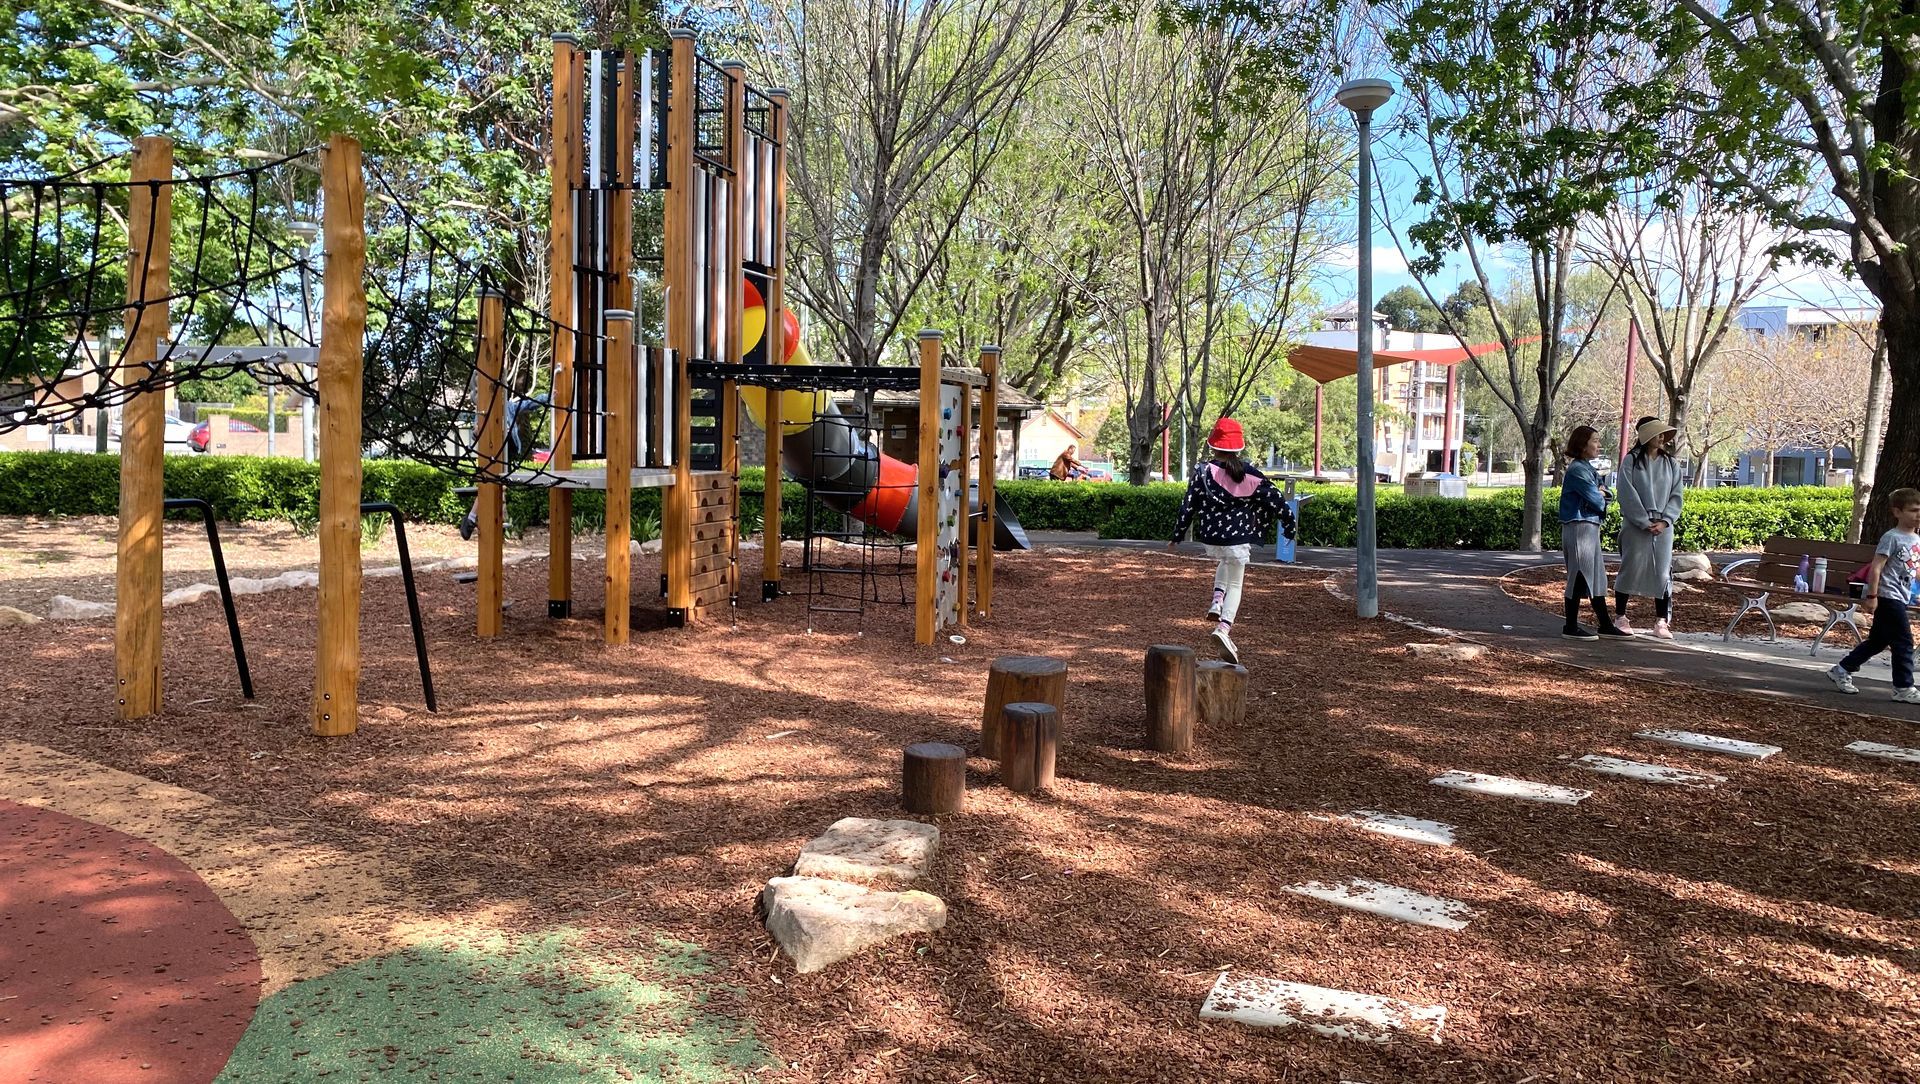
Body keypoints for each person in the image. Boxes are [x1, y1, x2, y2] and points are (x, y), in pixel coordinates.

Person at [1168, 417, 1295, 665]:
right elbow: (1278, 501)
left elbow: (1188, 506)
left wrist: (1177, 535)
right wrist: (1289, 526)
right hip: (1237, 538)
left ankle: (1216, 600)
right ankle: (1224, 628)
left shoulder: (1202, 472)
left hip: (1212, 539)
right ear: (1239, 448)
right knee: (1236, 583)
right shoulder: (1251, 476)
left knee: (1224, 562)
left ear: (1213, 447)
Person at [1827, 488, 1920, 703]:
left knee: (1878, 640)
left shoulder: (1915, 538)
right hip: (1888, 595)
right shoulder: (1892, 537)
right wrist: (1872, 595)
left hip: (1902, 596)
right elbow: (1877, 567)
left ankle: (1841, 669)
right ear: (1897, 512)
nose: (1918, 515)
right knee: (1904, 642)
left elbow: (1914, 570)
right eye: (1913, 510)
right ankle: (1903, 687)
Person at [1614, 416, 1685, 638]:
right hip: (1636, 526)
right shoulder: (1631, 460)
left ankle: (1661, 621)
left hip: (1663, 527)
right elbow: (1626, 493)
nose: (1662, 437)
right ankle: (1620, 616)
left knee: (1662, 572)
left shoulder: (1671, 463)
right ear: (1647, 436)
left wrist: (1665, 520)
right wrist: (1643, 521)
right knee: (1630, 567)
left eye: (1664, 433)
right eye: (1657, 433)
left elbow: (1677, 495)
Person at [1558, 425, 1628, 640]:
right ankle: (1570, 626)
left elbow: (1607, 494)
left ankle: (1605, 624)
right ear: (1582, 444)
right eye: (1595, 440)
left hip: (1588, 526)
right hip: (1579, 526)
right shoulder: (1579, 470)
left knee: (1595, 576)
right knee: (1580, 574)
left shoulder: (1586, 468)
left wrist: (1602, 492)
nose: (1599, 445)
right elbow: (1597, 499)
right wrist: (1601, 493)